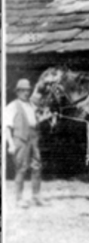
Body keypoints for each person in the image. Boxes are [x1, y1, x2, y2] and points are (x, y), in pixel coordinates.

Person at [4, 79, 44, 207]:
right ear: (18, 92)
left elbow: (35, 121)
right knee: (21, 168)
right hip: (20, 140)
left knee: (37, 167)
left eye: (28, 90)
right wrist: (10, 144)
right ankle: (19, 199)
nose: (26, 93)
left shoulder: (32, 105)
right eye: (23, 90)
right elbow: (6, 127)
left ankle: (36, 196)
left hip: (34, 139)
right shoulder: (12, 106)